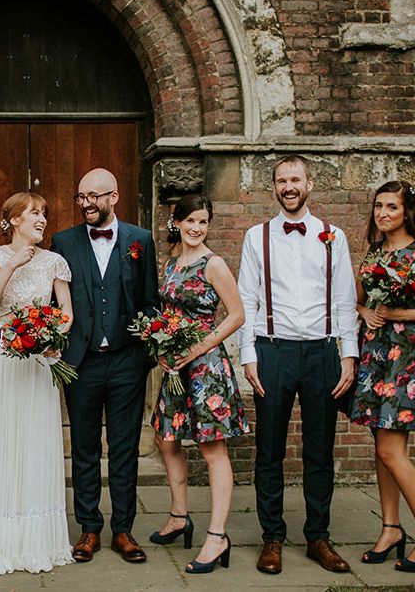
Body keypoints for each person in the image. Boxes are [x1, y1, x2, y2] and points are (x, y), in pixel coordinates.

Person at [237, 154, 357, 575]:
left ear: (309, 184)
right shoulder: (257, 236)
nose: (289, 186)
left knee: (319, 450)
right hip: (273, 351)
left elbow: (344, 300)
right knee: (269, 449)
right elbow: (246, 299)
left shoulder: (333, 236)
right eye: (281, 180)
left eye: (295, 179)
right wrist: (249, 355)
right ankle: (272, 537)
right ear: (274, 187)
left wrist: (348, 355)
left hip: (322, 353)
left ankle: (318, 537)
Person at [0, 192, 74, 575]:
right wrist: (10, 265)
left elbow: (67, 313)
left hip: (39, 356)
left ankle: (36, 540)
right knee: (1, 436)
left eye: (44, 213)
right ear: (13, 220)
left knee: (36, 439)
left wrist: (51, 337)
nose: (42, 219)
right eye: (34, 213)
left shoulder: (55, 262)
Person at [51, 168, 158, 564]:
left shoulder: (140, 240)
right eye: (81, 197)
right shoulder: (63, 241)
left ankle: (124, 530)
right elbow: (55, 301)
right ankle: (89, 529)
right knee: (83, 448)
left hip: (127, 362)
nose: (86, 204)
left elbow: (150, 300)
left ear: (114, 197)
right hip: (81, 363)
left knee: (125, 448)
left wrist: (146, 353)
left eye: (94, 197)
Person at [149, 194, 249, 574]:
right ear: (177, 222)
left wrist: (196, 348)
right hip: (176, 366)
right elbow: (167, 314)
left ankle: (217, 535)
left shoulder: (214, 264)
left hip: (206, 367)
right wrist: (161, 345)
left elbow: (236, 315)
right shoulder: (173, 263)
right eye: (189, 221)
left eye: (203, 222)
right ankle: (179, 516)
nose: (196, 228)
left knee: (211, 448)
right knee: (166, 439)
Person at [350, 180, 415, 573]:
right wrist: (366, 314)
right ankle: (391, 528)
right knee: (382, 446)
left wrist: (400, 315)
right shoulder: (374, 253)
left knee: (390, 451)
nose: (382, 214)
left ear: (407, 210)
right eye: (378, 206)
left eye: (391, 207)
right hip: (376, 355)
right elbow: (359, 301)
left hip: (407, 359)